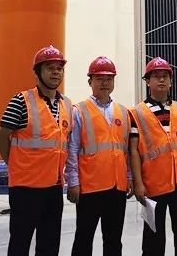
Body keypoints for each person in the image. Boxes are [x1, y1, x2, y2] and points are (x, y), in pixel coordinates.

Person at [0, 45, 73, 256]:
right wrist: (14, 165)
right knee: (20, 244)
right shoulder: (21, 101)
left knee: (49, 244)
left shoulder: (67, 105)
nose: (56, 72)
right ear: (38, 72)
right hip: (25, 189)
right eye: (50, 68)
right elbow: (1, 137)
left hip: (54, 188)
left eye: (59, 68)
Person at [65, 56, 133, 256]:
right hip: (90, 187)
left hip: (117, 186)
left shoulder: (123, 112)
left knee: (113, 240)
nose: (104, 83)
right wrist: (73, 182)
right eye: (99, 79)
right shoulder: (79, 111)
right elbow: (72, 148)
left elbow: (125, 149)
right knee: (83, 238)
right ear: (90, 82)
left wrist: (129, 177)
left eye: (109, 79)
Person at [129, 57, 177, 256]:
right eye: (156, 76)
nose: (162, 80)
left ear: (171, 81)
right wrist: (138, 183)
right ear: (148, 81)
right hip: (153, 184)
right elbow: (133, 150)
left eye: (165, 76)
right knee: (153, 237)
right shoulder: (136, 113)